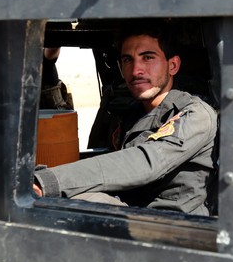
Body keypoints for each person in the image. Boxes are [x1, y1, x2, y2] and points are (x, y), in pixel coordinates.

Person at [33, 20, 219, 216]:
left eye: (148, 57)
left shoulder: (195, 114)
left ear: (172, 65)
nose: (136, 70)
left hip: (176, 227)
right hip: (133, 214)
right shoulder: (133, 114)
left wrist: (48, 181)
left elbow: (147, 162)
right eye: (127, 60)